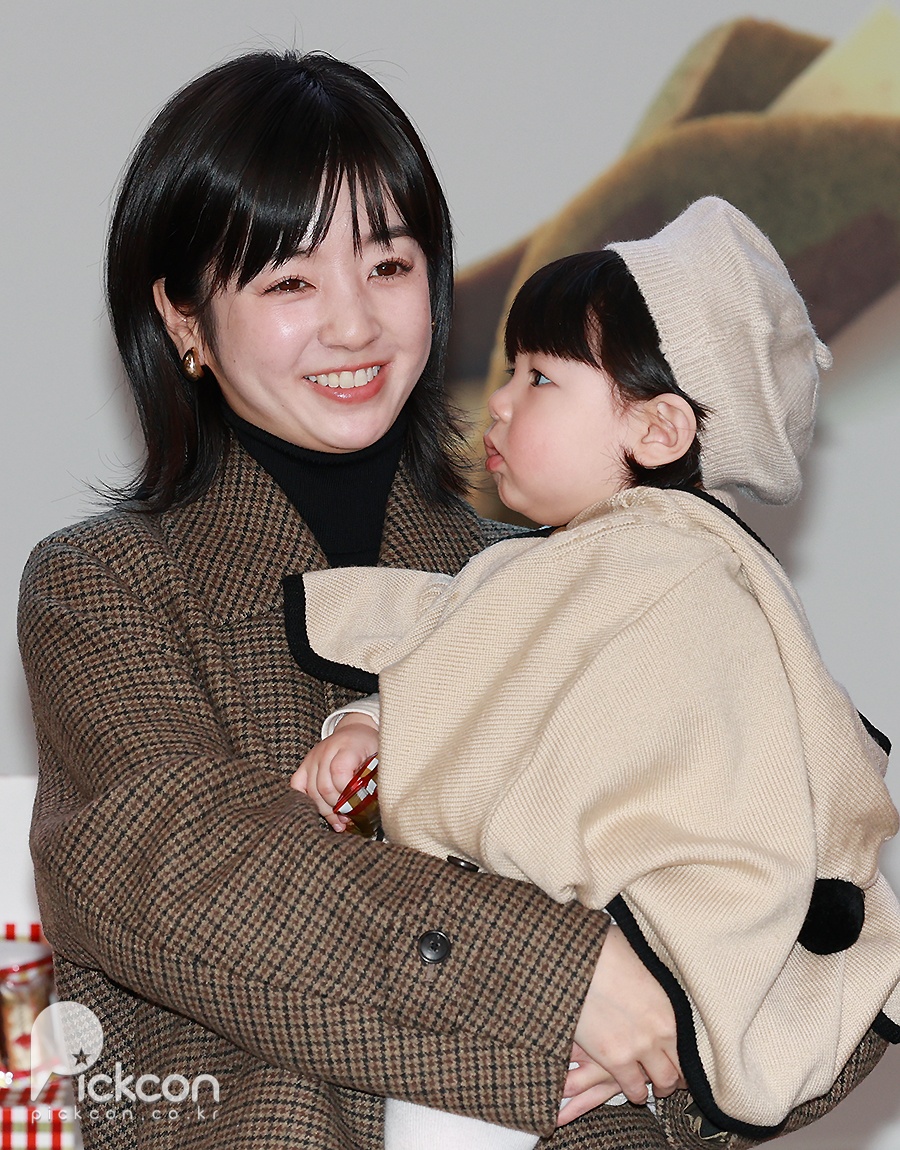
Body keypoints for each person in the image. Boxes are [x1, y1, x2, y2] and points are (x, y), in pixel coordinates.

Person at [18, 48, 702, 1150]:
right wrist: (567, 978)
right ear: (184, 318)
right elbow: (192, 880)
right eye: (290, 281)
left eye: (388, 265)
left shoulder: (572, 574)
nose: (355, 325)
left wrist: (685, 1000)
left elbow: (793, 916)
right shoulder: (103, 584)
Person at [292, 198, 900, 1148]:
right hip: (572, 995)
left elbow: (519, 711)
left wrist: (383, 732)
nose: (500, 401)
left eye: (539, 377)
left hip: (587, 986)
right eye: (508, 370)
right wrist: (372, 724)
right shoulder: (597, 564)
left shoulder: (663, 574)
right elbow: (495, 680)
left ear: (658, 432)